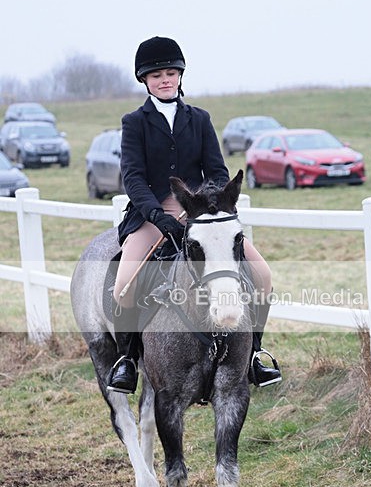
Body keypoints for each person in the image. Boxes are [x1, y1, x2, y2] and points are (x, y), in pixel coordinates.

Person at [107, 35, 281, 394]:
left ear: (181, 76)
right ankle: (127, 359)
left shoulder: (199, 119)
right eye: (156, 75)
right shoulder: (134, 122)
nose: (165, 79)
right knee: (124, 286)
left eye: (171, 72)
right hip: (153, 214)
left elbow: (217, 170)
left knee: (262, 275)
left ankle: (254, 353)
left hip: (202, 214)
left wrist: (205, 202)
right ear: (144, 80)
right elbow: (133, 177)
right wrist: (159, 216)